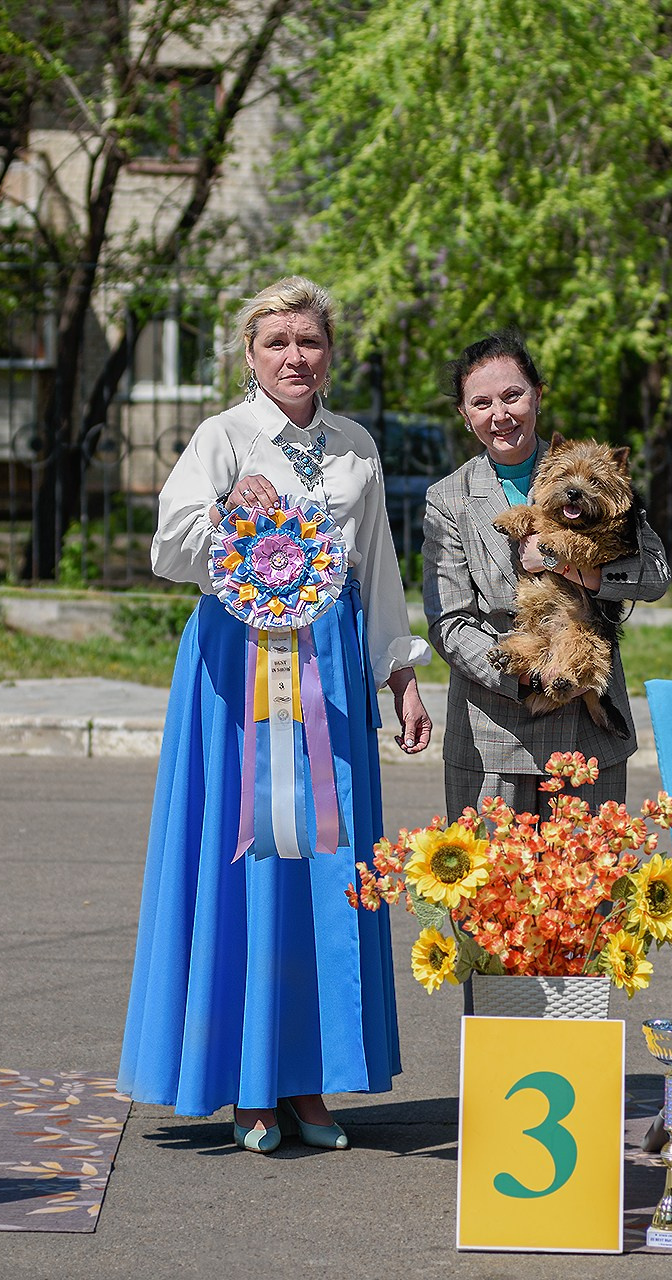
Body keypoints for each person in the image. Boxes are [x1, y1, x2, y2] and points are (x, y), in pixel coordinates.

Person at [117, 276, 432, 1154]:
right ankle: (249, 1084)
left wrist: (400, 675)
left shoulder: (356, 445)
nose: (296, 357)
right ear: (249, 355)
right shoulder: (222, 437)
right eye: (277, 342)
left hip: (332, 672)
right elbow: (168, 548)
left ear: (330, 352)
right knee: (250, 864)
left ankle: (308, 1079)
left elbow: (377, 569)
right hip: (239, 672)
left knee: (325, 865)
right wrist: (226, 511)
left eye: (310, 341)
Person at [422, 331, 670, 820]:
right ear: (465, 415)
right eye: (482, 403)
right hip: (493, 738)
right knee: (491, 872)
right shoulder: (448, 498)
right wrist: (533, 676)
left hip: (587, 737)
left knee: (585, 872)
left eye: (512, 395)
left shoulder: (592, 471)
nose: (500, 414)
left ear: (538, 395)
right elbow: (448, 623)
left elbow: (655, 575)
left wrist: (565, 565)